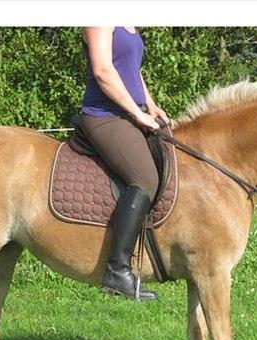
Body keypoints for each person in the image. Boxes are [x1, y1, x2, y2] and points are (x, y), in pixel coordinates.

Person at [80, 26, 169, 301]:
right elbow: (103, 71)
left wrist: (150, 105)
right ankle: (118, 271)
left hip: (128, 114)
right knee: (145, 179)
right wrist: (137, 113)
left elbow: (131, 69)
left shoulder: (129, 21)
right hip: (104, 115)